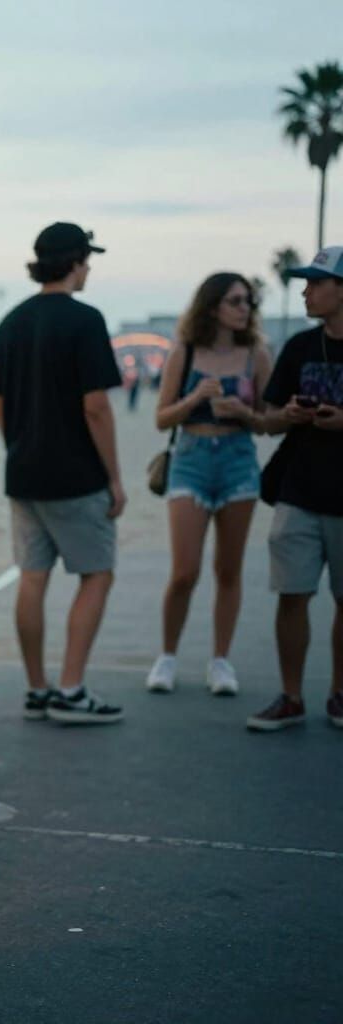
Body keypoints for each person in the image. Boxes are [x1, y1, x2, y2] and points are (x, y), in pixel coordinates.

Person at [0, 221, 125, 725]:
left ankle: (37, 688)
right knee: (97, 573)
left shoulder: (12, 322)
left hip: (23, 472)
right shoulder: (85, 321)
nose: (88, 267)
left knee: (33, 577)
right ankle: (71, 687)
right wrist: (114, 476)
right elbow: (97, 407)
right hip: (76, 475)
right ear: (72, 262)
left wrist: (18, 450)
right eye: (86, 259)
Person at [146, 274, 271, 697]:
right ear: (213, 305)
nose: (244, 309)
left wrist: (246, 413)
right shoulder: (185, 351)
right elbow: (162, 417)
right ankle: (167, 656)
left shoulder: (256, 353)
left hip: (238, 461)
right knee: (184, 571)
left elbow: (270, 420)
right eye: (236, 300)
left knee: (228, 570)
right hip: (191, 460)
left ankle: (220, 661)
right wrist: (196, 397)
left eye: (249, 302)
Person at [246, 246, 343, 731]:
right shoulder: (300, 348)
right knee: (291, 595)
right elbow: (265, 421)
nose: (305, 290)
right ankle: (290, 695)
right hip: (298, 492)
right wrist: (285, 417)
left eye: (316, 282)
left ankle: (339, 694)